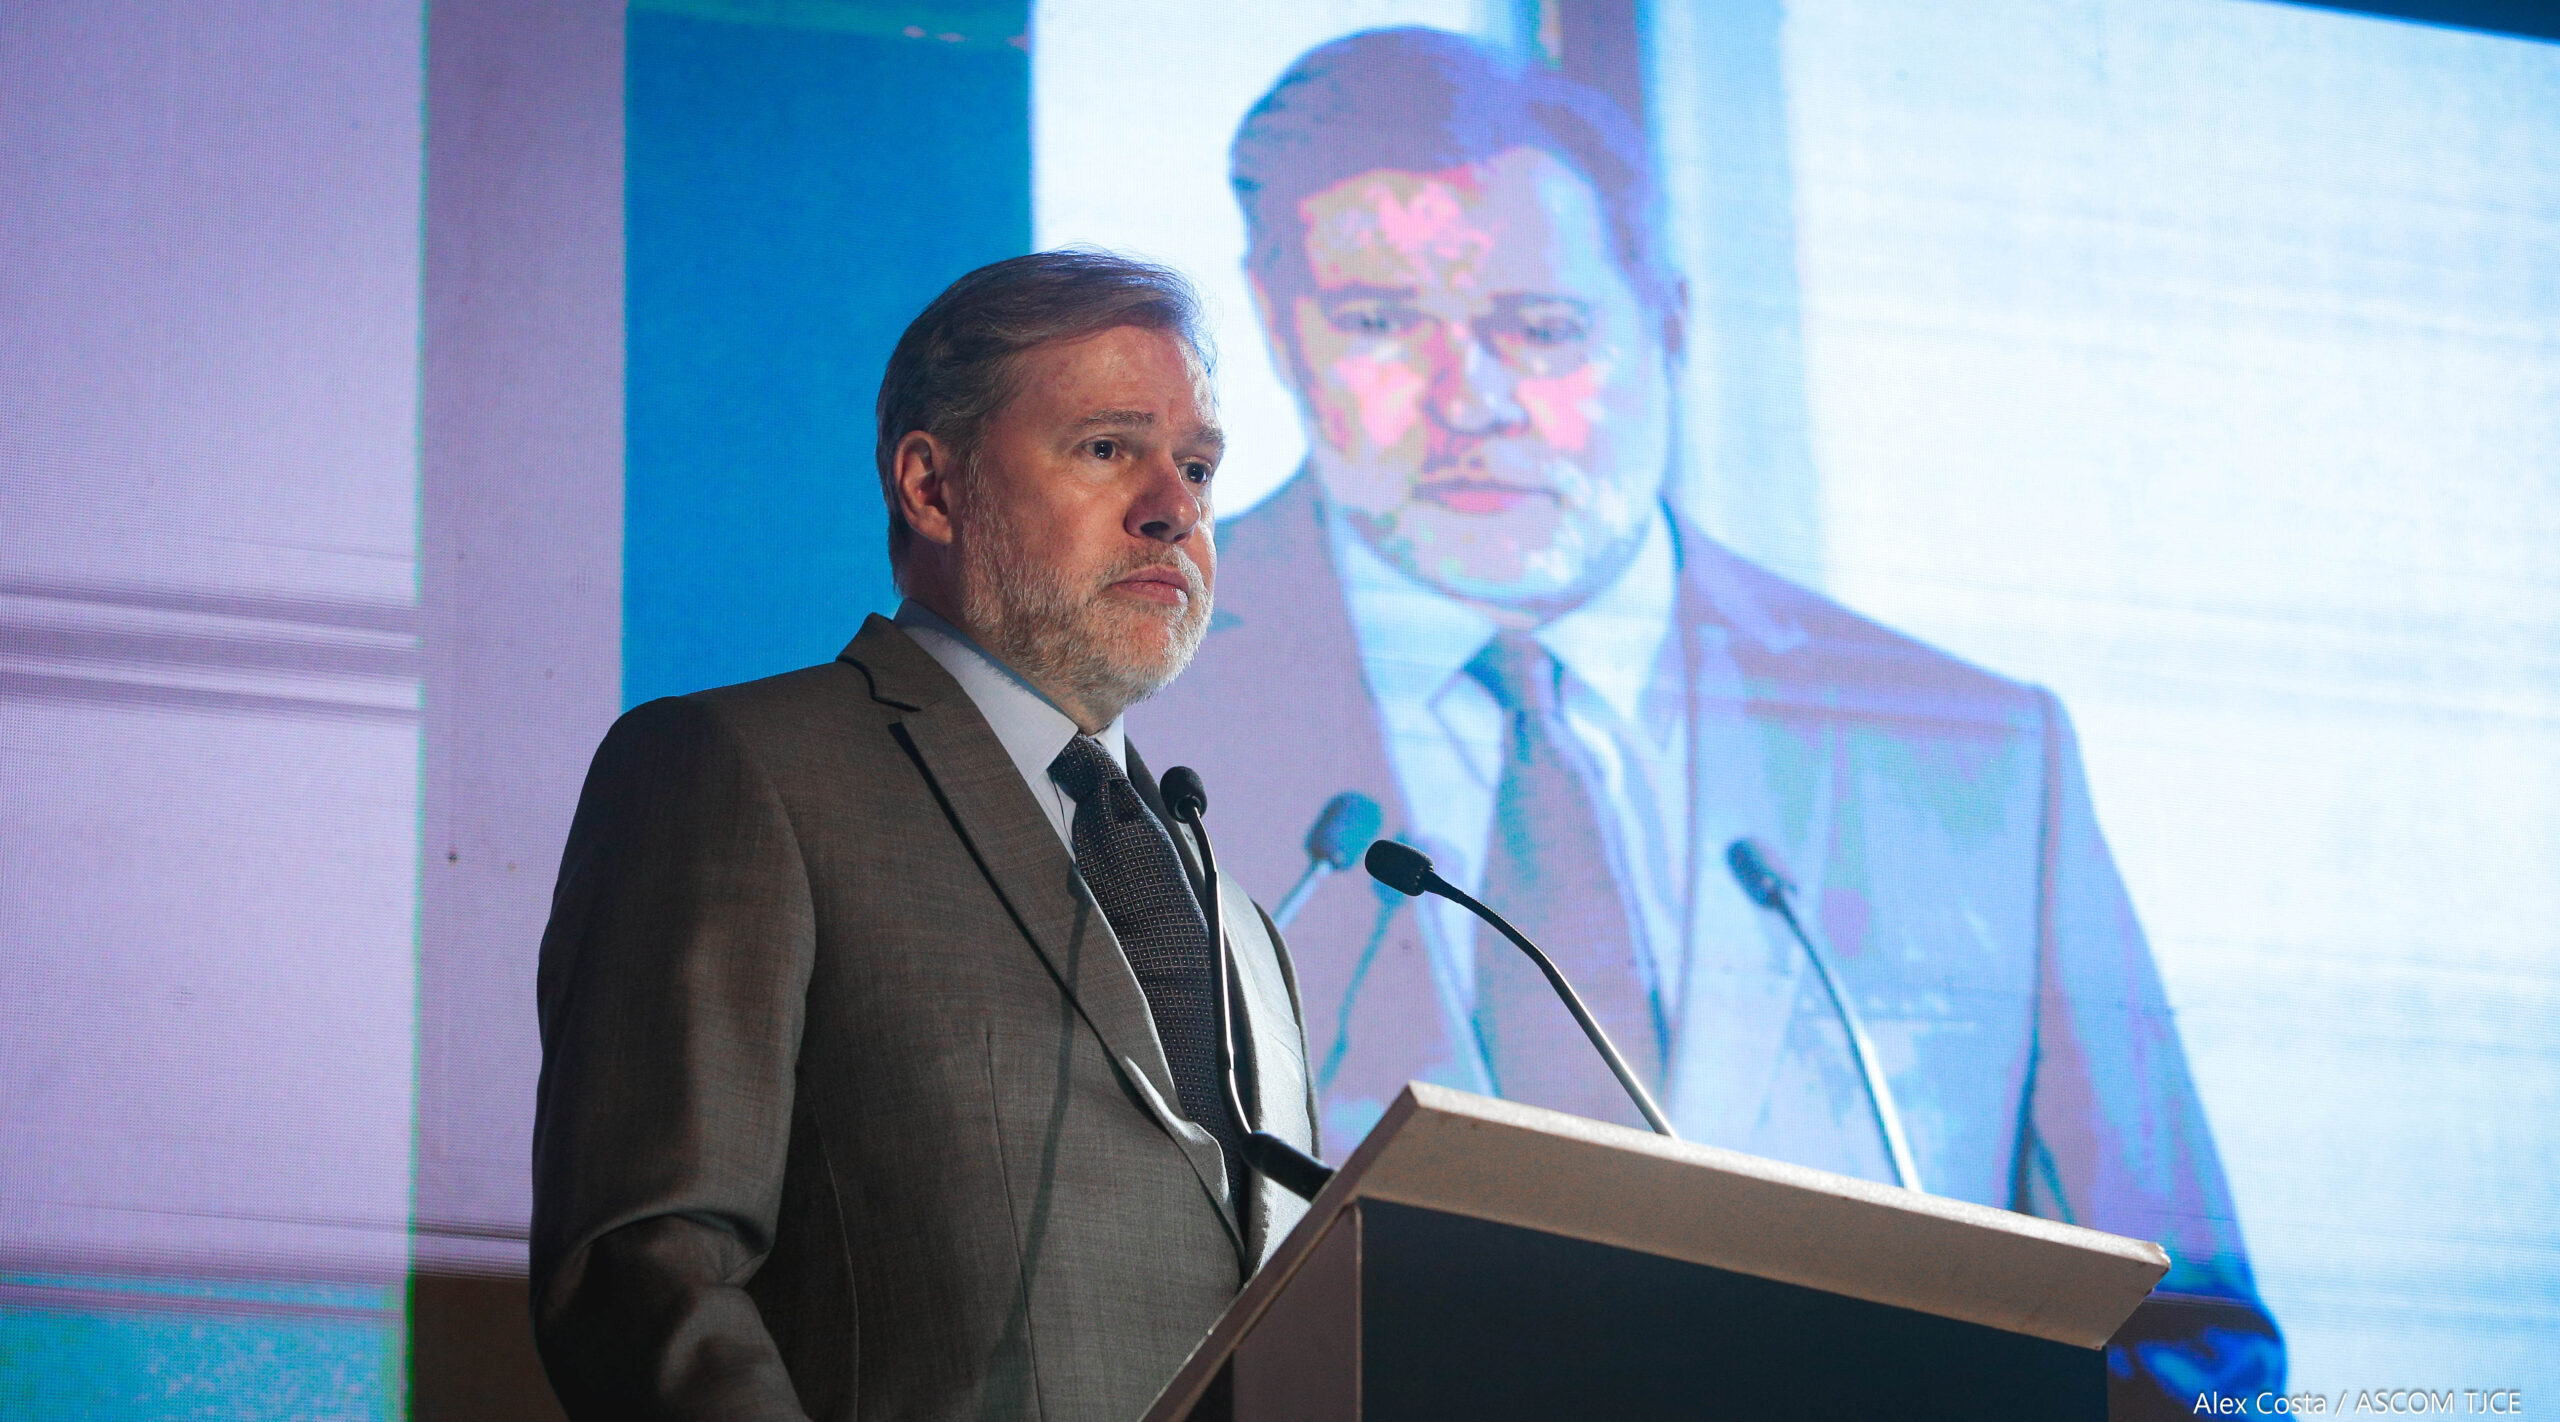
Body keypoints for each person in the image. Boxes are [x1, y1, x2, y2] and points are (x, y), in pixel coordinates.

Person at [1126, 27, 2280, 1414]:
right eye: (1379, 324)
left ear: (1668, 315)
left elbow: (2196, 1346)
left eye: (1540, 329)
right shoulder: (1127, 706)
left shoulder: (1975, 755)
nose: (1468, 401)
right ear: (1273, 323)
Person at [530, 251, 1318, 1420]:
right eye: (1108, 449)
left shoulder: (1237, 919)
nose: (1176, 507)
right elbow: (646, 1272)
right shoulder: (745, 772)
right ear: (931, 488)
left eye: (1197, 466)